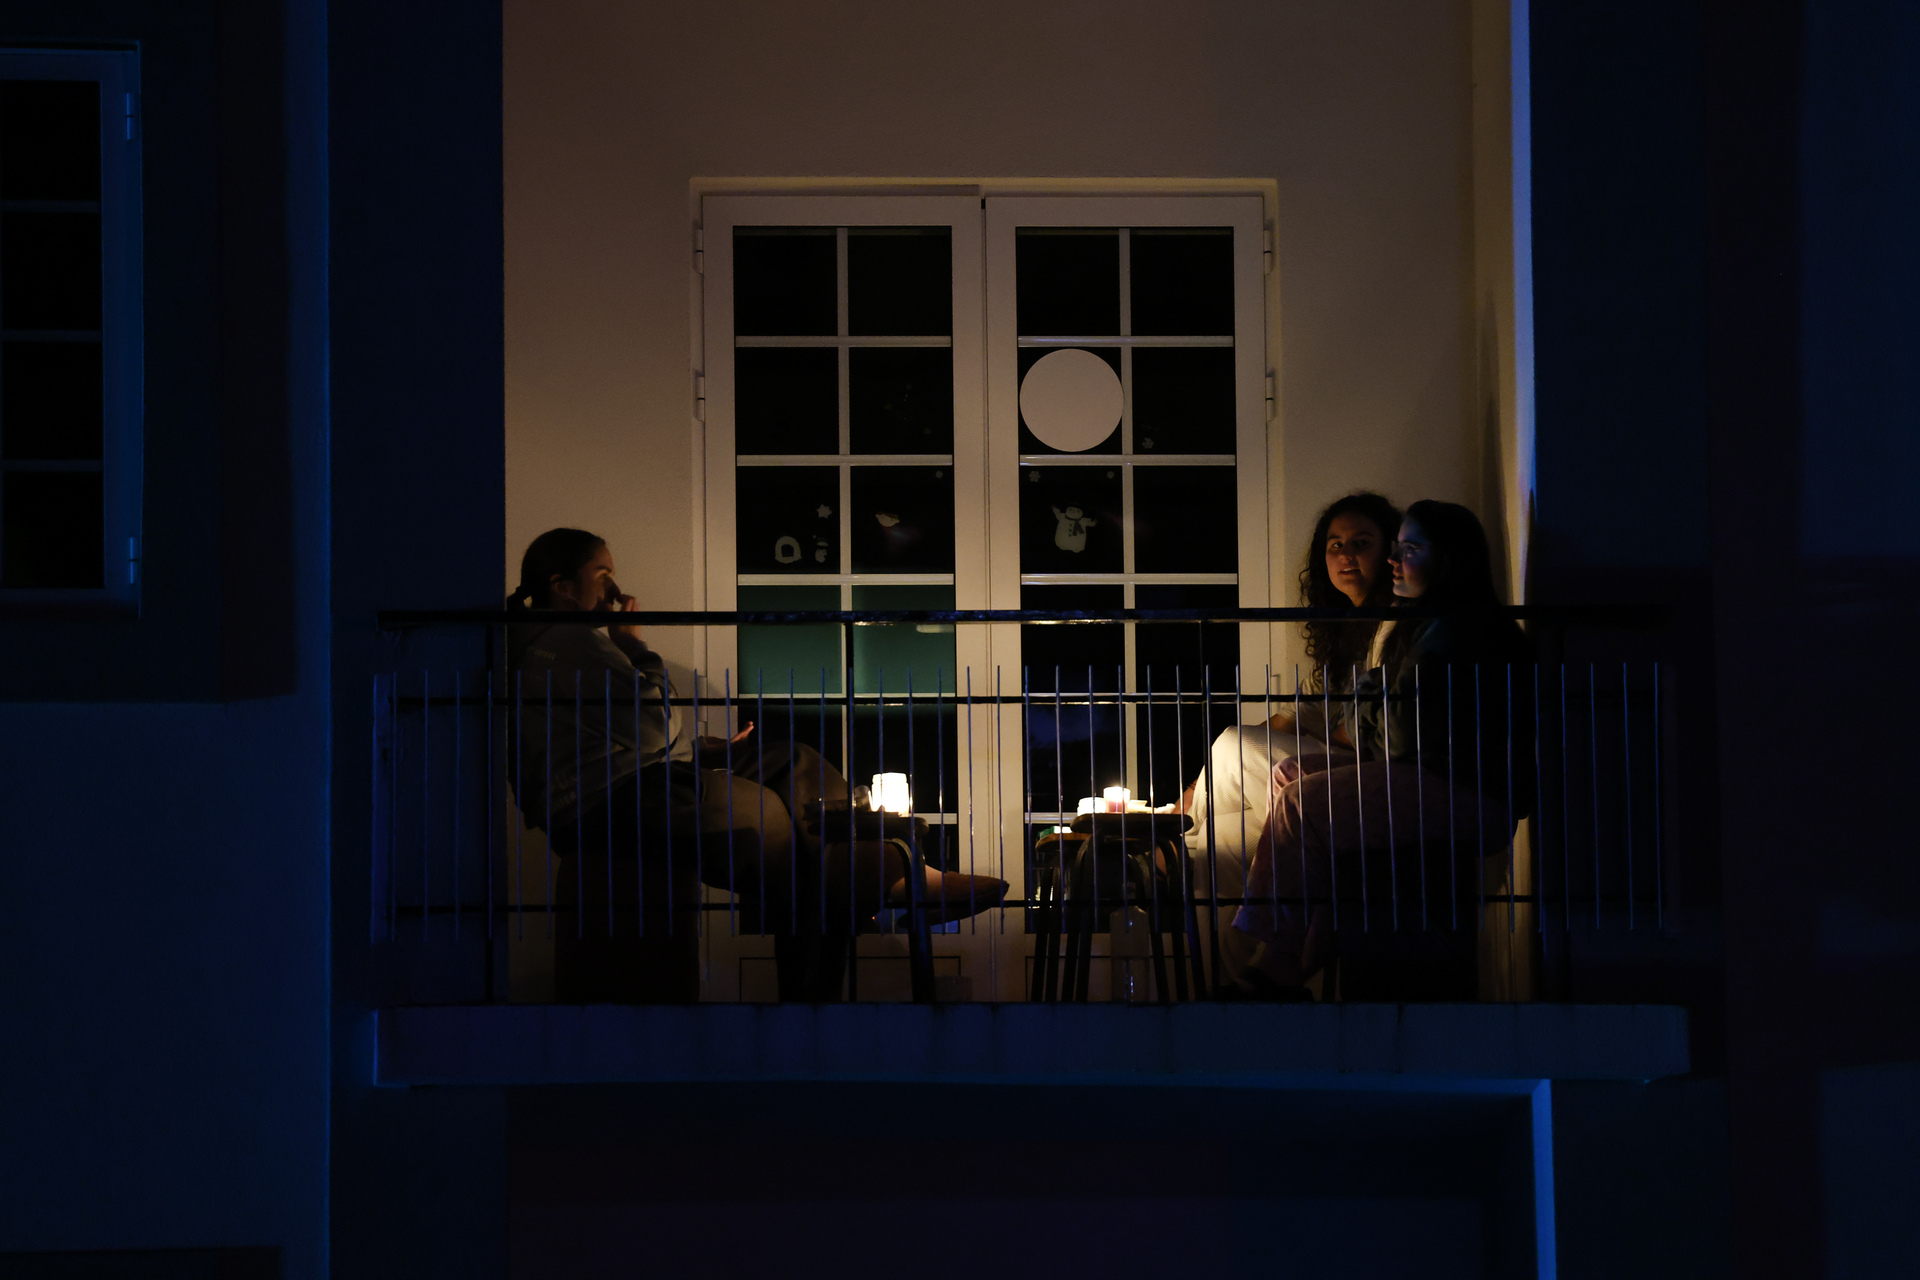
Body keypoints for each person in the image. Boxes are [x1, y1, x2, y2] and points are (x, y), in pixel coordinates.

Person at [507, 528, 1006, 1002]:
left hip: (632, 779)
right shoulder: (567, 643)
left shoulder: (562, 644)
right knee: (783, 829)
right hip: (613, 798)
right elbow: (651, 728)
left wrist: (698, 750)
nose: (616, 590)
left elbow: (618, 734)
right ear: (563, 587)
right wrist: (636, 647)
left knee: (792, 759)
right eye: (603, 575)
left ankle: (882, 875)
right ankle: (892, 874)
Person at [1228, 499, 1533, 1000]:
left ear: (1448, 560)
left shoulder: (1454, 632)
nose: (1394, 560)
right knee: (1287, 773)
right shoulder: (1419, 625)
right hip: (1428, 773)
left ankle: (1279, 958)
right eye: (1397, 547)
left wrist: (1367, 699)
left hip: (1466, 792)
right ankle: (1296, 953)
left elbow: (1397, 737)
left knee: (1301, 803)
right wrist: (1371, 703)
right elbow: (1382, 723)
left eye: (1410, 549)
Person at [1179, 492, 1403, 993]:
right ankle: (1234, 990)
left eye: (1361, 543)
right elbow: (1296, 717)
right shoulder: (1344, 632)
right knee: (1220, 842)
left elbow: (1369, 727)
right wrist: (1201, 782)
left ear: (1390, 550)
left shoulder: (1395, 626)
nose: (1346, 555)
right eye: (1335, 545)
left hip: (1368, 773)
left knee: (1231, 744)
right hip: (1333, 763)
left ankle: (1177, 831)